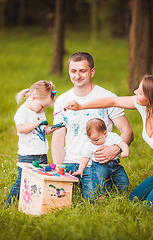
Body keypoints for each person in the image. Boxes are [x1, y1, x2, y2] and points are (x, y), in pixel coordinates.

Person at [66, 75, 153, 208]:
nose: (135, 92)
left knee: (150, 205)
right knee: (135, 198)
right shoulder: (144, 106)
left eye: (140, 92)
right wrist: (81, 106)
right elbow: (112, 101)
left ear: (152, 98)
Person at [52, 52, 134, 199]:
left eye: (82, 71)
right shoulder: (62, 100)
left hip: (97, 163)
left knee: (94, 199)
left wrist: (114, 149)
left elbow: (127, 131)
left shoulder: (108, 97)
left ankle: (106, 181)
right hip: (70, 162)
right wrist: (59, 168)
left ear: (92, 71)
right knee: (59, 197)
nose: (77, 75)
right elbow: (58, 139)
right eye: (73, 71)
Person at [6, 80, 63, 206]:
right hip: (28, 155)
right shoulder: (23, 112)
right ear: (33, 98)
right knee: (23, 181)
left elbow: (45, 131)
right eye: (42, 106)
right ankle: (9, 204)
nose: (43, 109)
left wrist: (55, 127)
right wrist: (37, 123)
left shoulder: (40, 112)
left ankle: (33, 203)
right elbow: (21, 128)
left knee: (40, 180)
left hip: (42, 154)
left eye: (45, 107)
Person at [72, 118, 130, 198]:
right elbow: (85, 158)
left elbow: (122, 144)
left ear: (105, 133)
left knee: (123, 179)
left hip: (115, 165)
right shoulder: (89, 145)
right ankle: (101, 196)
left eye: (96, 140)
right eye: (91, 140)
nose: (94, 142)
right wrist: (81, 169)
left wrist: (125, 151)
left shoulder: (112, 137)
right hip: (99, 166)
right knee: (99, 180)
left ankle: (121, 195)